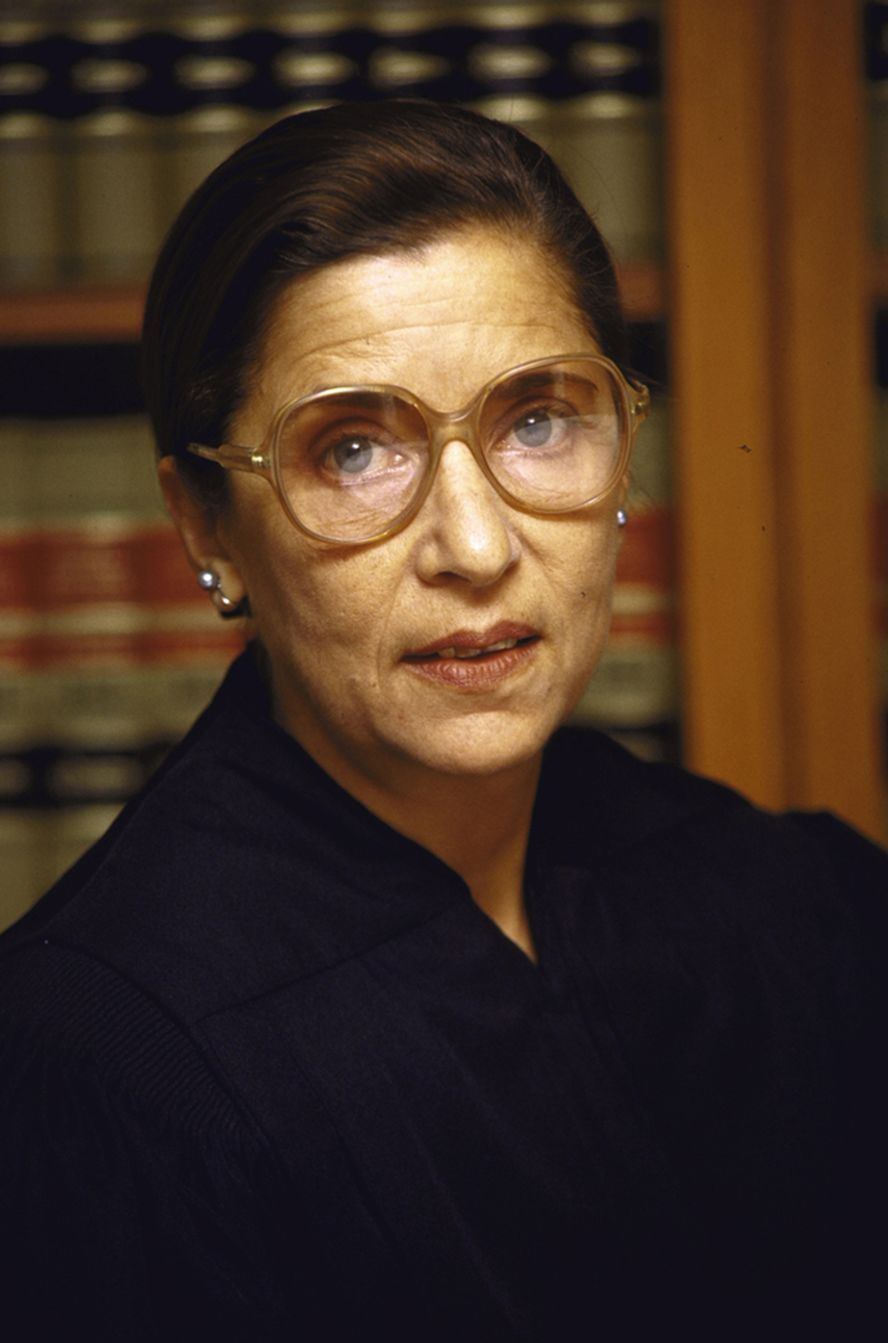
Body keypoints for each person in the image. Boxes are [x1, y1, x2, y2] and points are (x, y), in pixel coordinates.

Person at [1, 100, 886, 1343]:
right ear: (207, 523)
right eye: (354, 448)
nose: (475, 548)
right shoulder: (101, 1062)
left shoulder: (802, 908)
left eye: (539, 419)